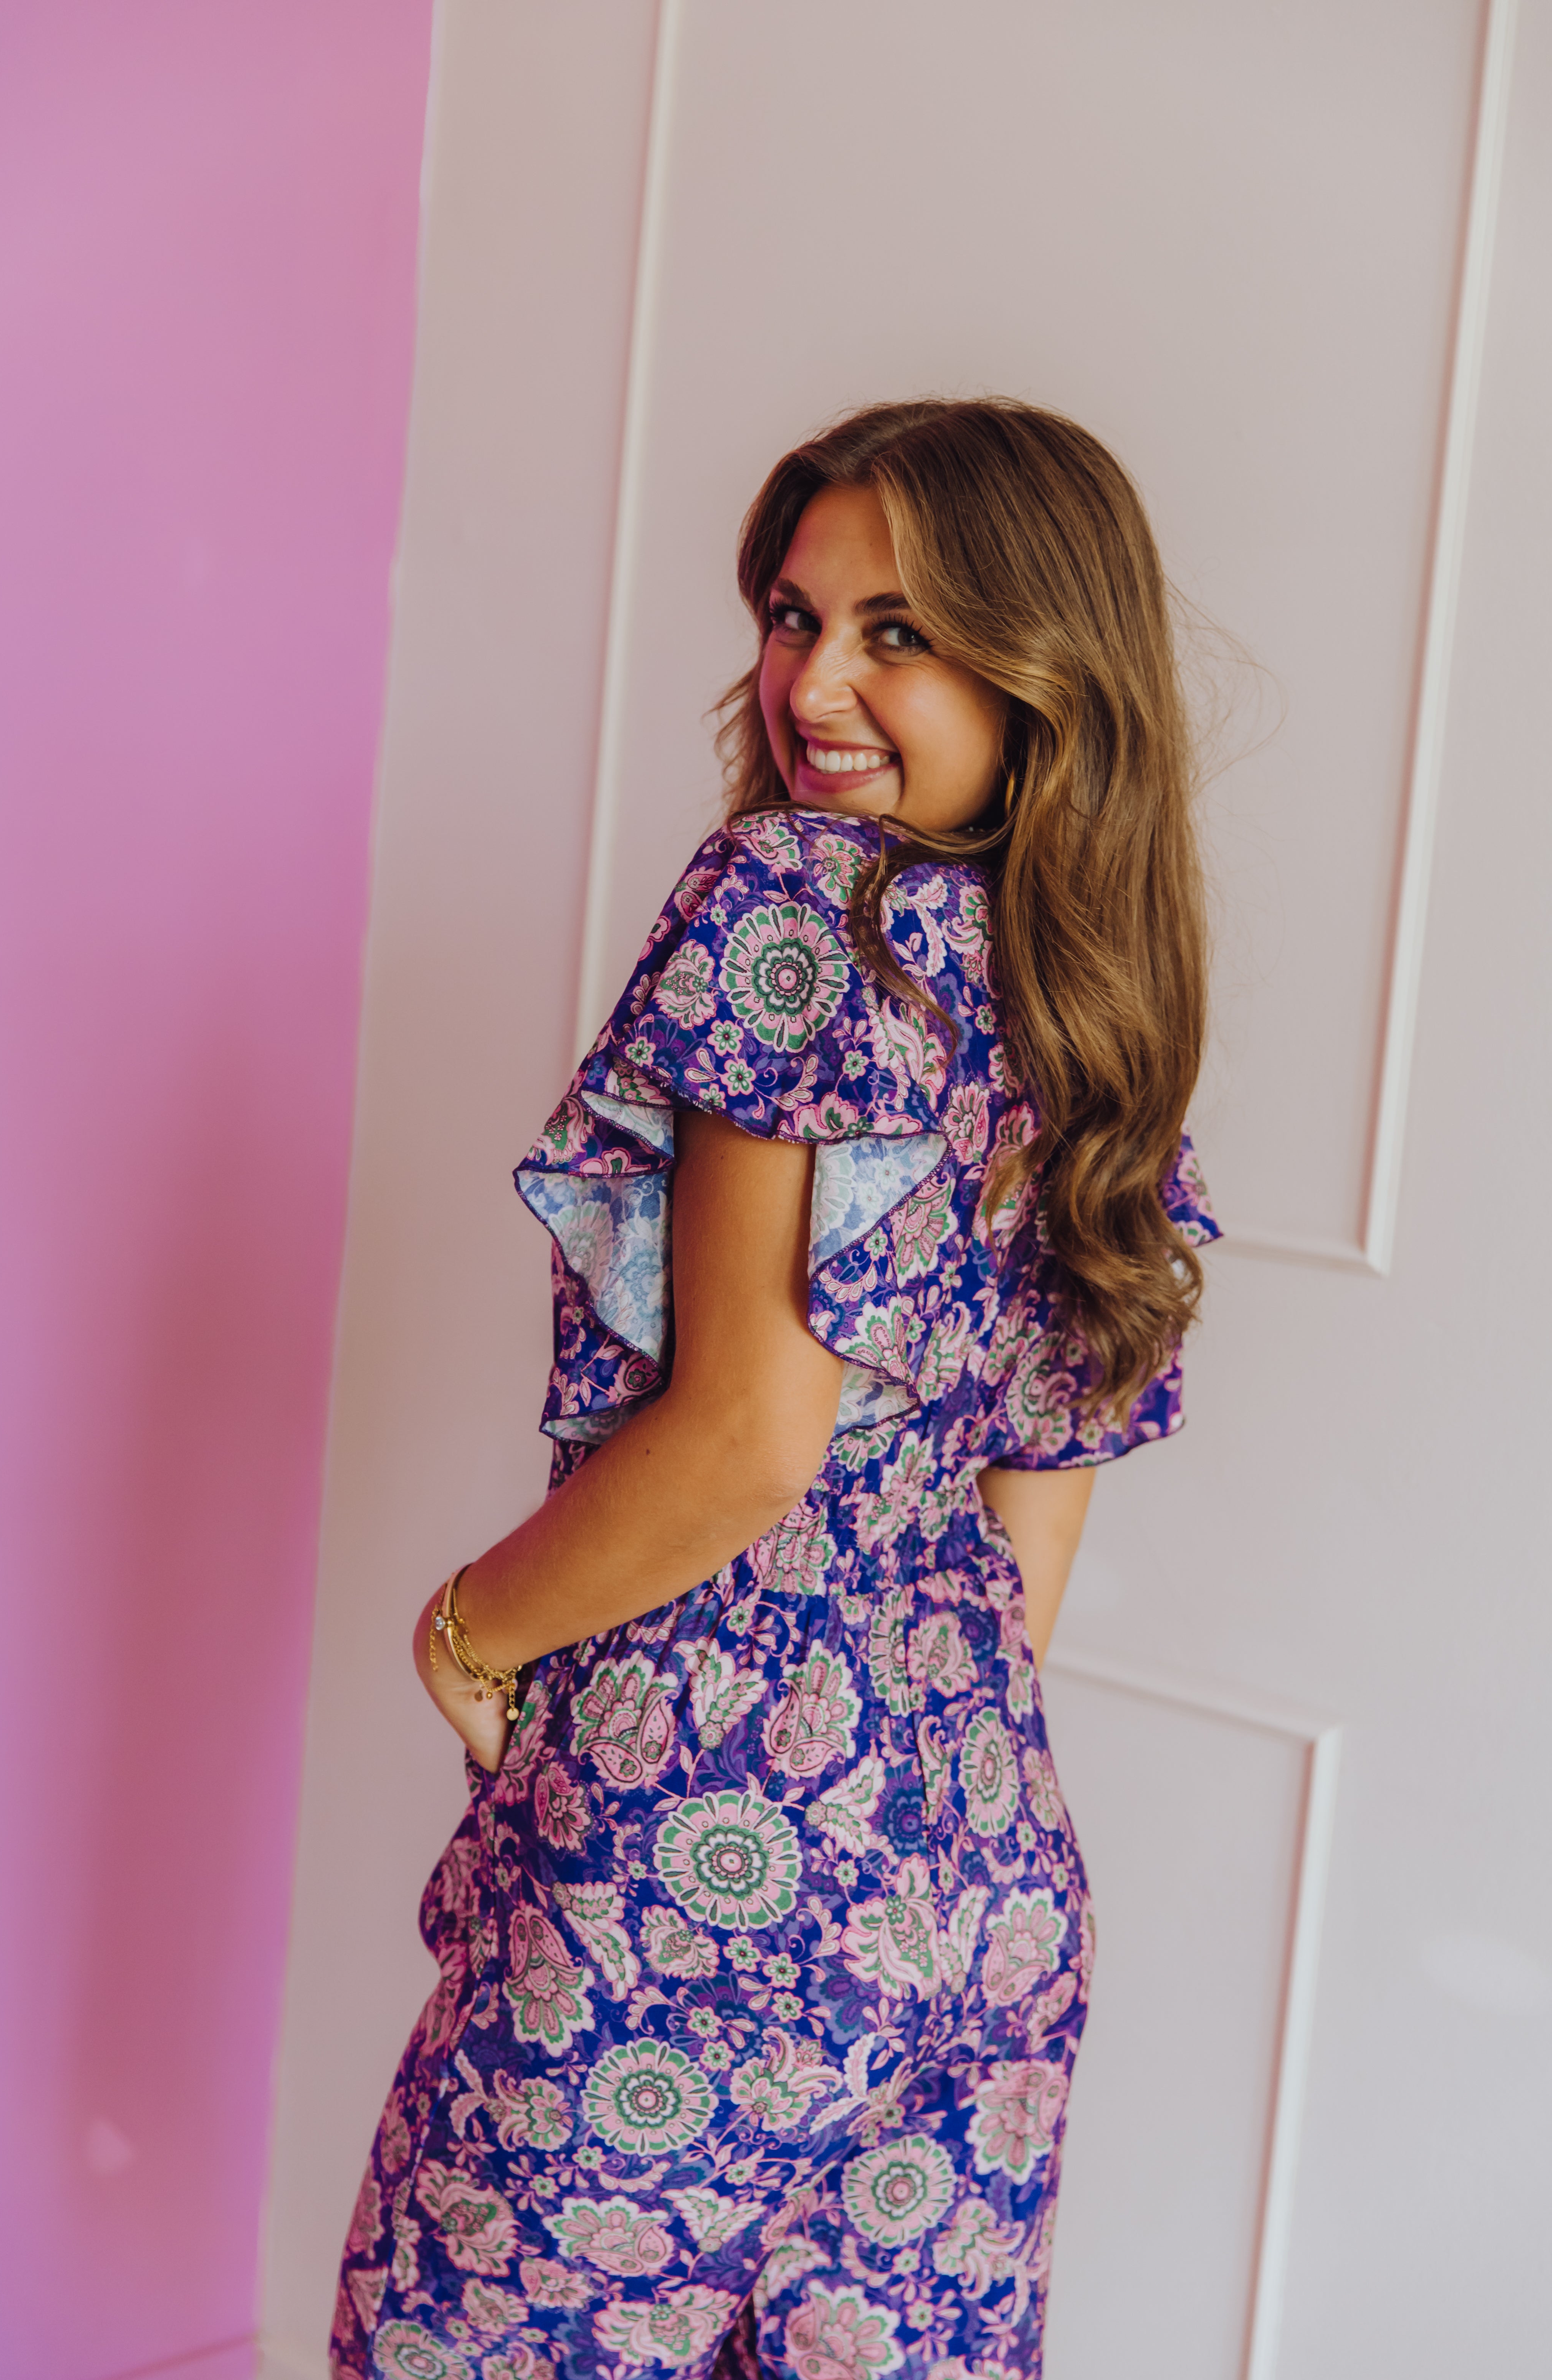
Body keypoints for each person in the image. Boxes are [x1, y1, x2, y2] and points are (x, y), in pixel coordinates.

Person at [333, 398, 1219, 2380]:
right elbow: (1038, 1508)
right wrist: (891, 1817)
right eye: (795, 615)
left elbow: (747, 1437)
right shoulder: (1098, 989)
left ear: (1043, 665)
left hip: (696, 1876)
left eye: (900, 631)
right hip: (978, 1875)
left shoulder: (798, 911)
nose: (814, 683)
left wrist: (470, 1631)